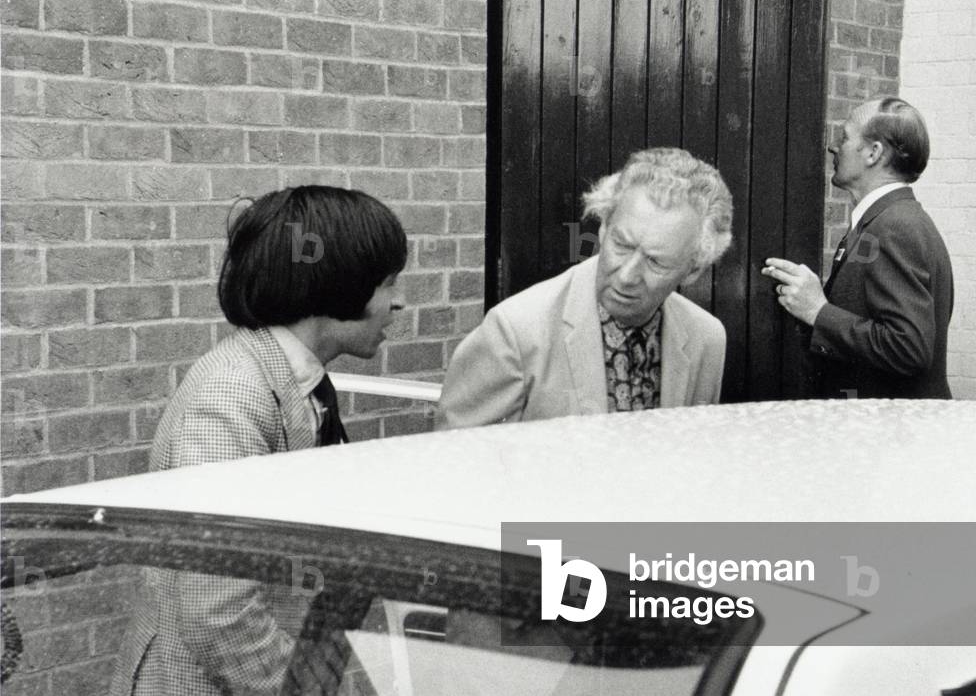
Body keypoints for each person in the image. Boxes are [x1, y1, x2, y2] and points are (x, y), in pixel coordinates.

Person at [110, 186, 407, 695]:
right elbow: (216, 605)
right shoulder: (231, 397)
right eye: (387, 283)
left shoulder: (293, 379)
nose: (399, 301)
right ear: (339, 284)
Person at [437, 147, 733, 429]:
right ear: (603, 227)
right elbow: (458, 459)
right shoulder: (515, 331)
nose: (627, 275)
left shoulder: (706, 338)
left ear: (694, 270)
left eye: (656, 262)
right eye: (622, 244)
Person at [762, 97, 953, 399]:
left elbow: (909, 348)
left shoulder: (894, 227)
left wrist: (818, 311)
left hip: (891, 434)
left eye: (845, 137)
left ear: (873, 153)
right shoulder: (888, 220)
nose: (834, 148)